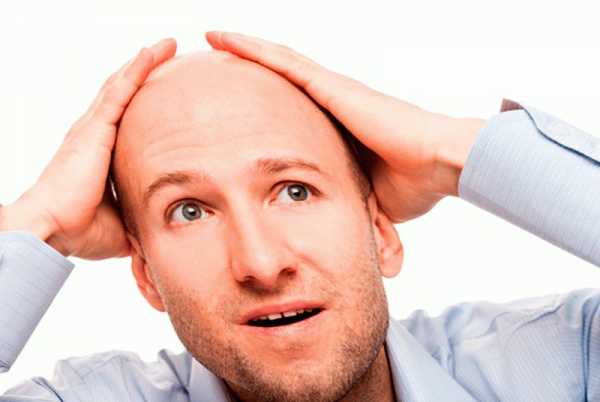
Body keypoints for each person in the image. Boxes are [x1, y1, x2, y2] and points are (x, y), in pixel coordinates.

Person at [0, 31, 598, 402]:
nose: (261, 264)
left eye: (294, 191)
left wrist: (450, 151)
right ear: (146, 275)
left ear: (381, 232)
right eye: (189, 211)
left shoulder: (567, 365)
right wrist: (40, 224)